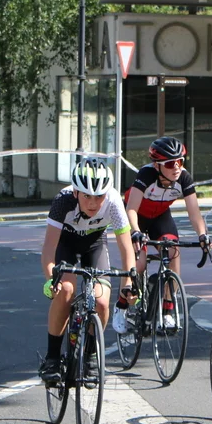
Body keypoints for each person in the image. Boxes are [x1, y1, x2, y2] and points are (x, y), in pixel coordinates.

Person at [38, 159, 137, 384]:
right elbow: (48, 249)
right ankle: (52, 358)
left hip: (95, 244)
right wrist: (51, 279)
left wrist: (128, 284)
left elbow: (126, 249)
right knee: (66, 290)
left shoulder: (113, 201)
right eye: (87, 196)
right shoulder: (63, 201)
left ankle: (91, 355)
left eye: (99, 196)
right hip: (66, 243)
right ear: (75, 192)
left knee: (101, 302)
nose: (93, 203)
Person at [118, 137, 211, 333]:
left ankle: (168, 309)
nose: (176, 167)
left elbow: (194, 213)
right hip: (136, 217)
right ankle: (122, 305)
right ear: (157, 165)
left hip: (160, 216)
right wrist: (135, 232)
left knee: (173, 252)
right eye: (170, 164)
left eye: (180, 162)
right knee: (138, 263)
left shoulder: (183, 178)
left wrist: (203, 235)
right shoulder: (147, 174)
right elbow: (131, 209)